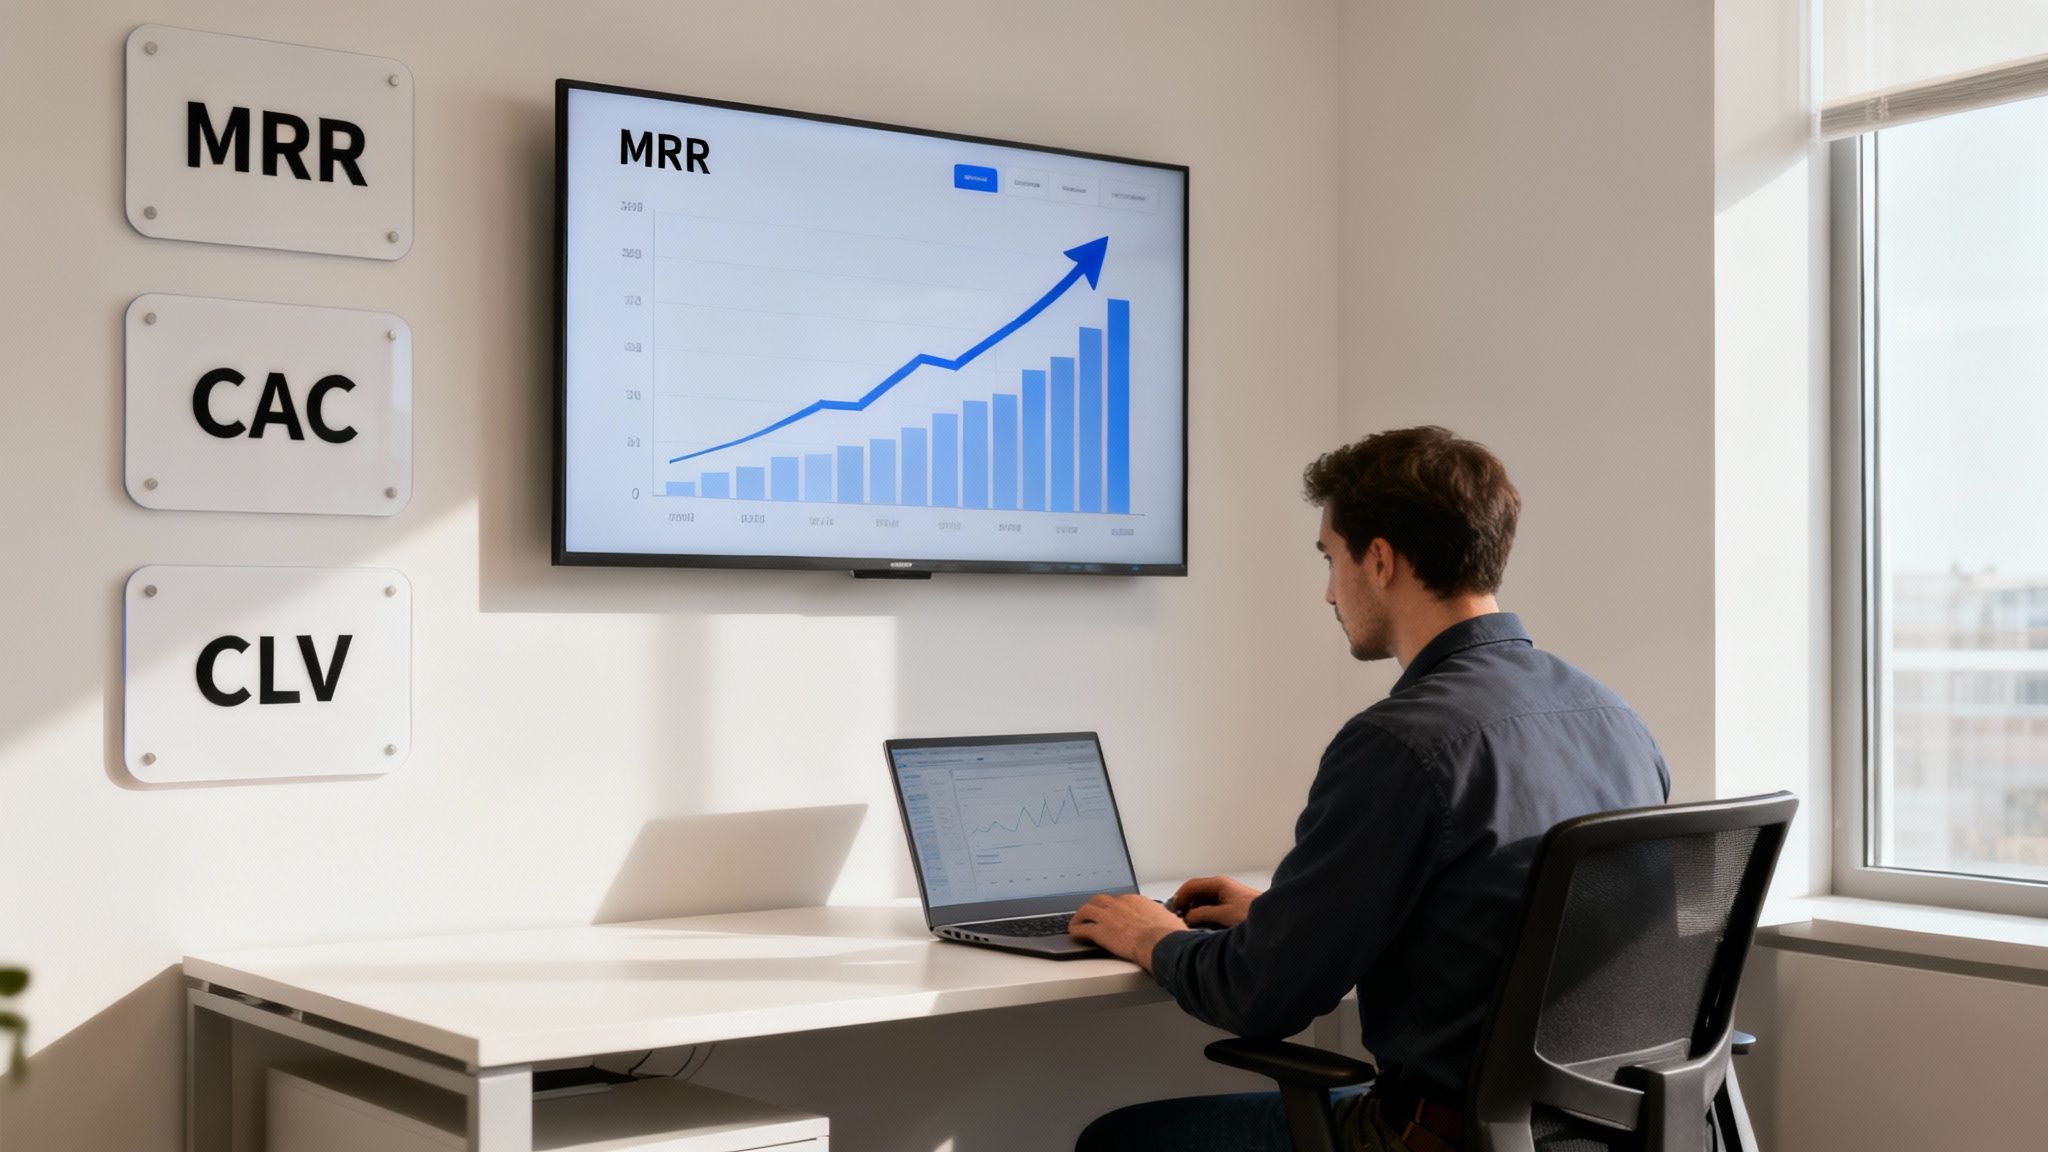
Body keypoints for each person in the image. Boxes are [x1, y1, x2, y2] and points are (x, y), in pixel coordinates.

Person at [1068, 426, 1670, 1152]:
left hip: (1436, 1135)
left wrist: (1153, 938)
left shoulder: (1401, 743)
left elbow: (1264, 998)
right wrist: (1290, 916)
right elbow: (1500, 923)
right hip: (1593, 1131)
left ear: (1379, 559)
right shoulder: (1612, 716)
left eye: (1331, 558)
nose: (1328, 590)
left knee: (1120, 1141)